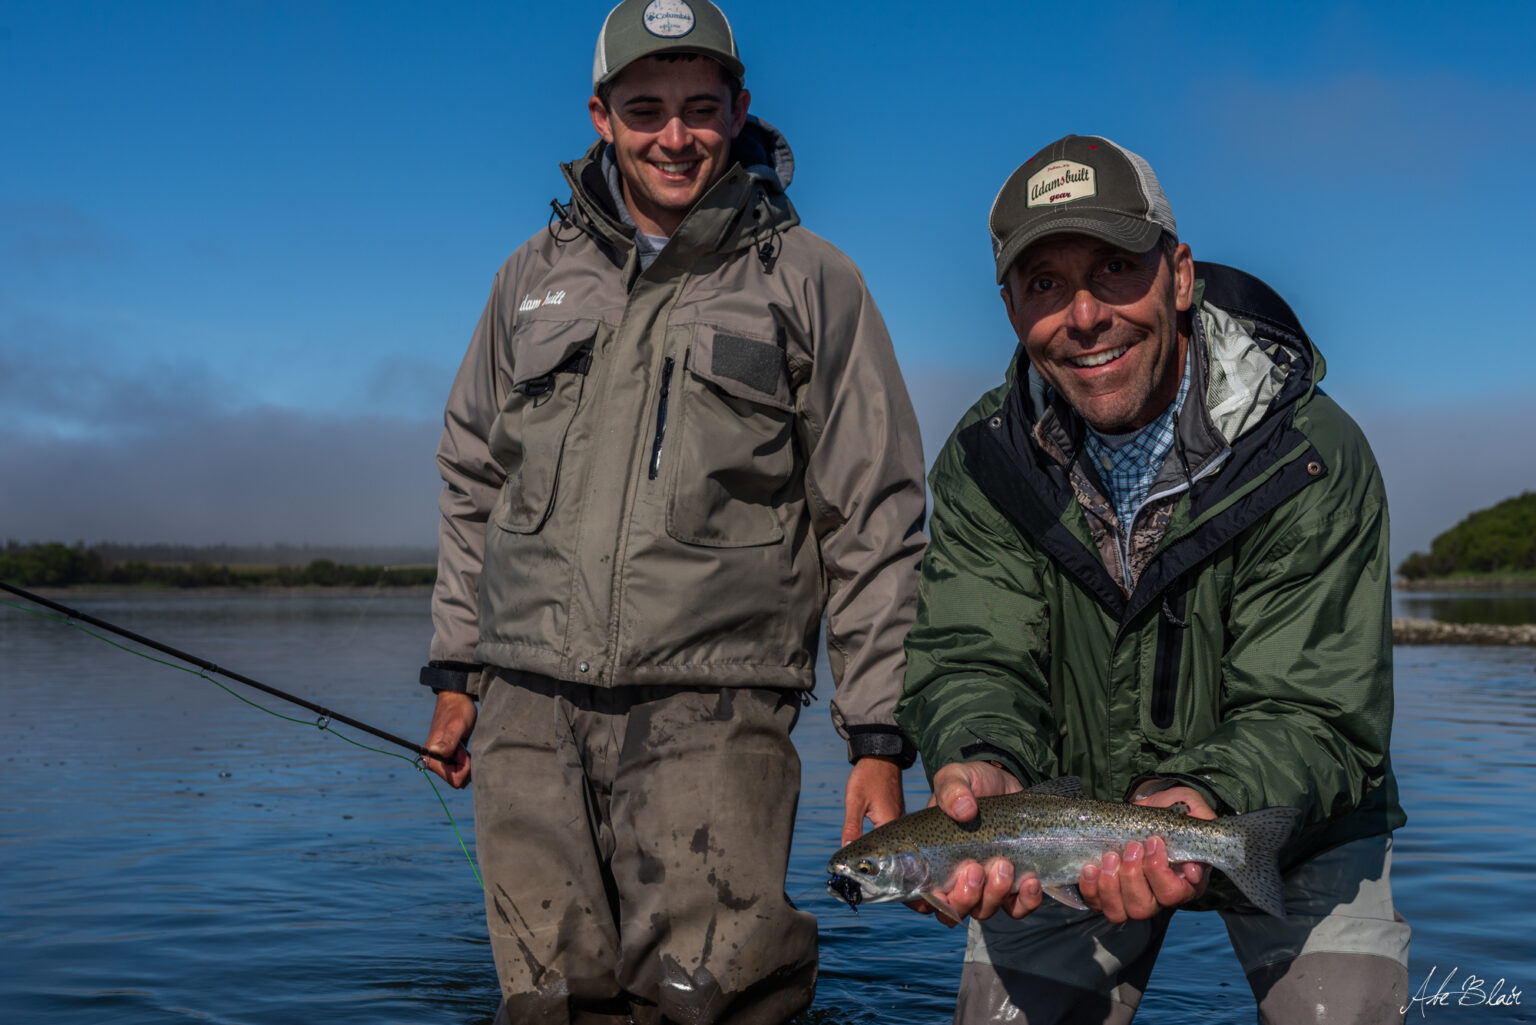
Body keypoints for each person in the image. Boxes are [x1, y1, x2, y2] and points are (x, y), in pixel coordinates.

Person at [416, 2, 926, 1022]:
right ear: (601, 117)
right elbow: (473, 479)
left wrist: (877, 734)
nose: (675, 136)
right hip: (525, 706)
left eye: (700, 107)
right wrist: (458, 675)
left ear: (739, 110)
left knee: (717, 1001)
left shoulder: (814, 280)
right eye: (645, 109)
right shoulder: (527, 278)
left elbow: (872, 510)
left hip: (719, 706)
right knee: (547, 1002)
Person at [896, 134, 1410, 1024]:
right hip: (1055, 833)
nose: (1084, 314)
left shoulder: (1310, 453)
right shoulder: (986, 462)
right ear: (1011, 308)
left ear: (1179, 276)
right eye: (1044, 283)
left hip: (1295, 821)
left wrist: (1201, 805)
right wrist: (983, 758)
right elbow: (973, 655)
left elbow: (1316, 706)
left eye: (1115, 268)